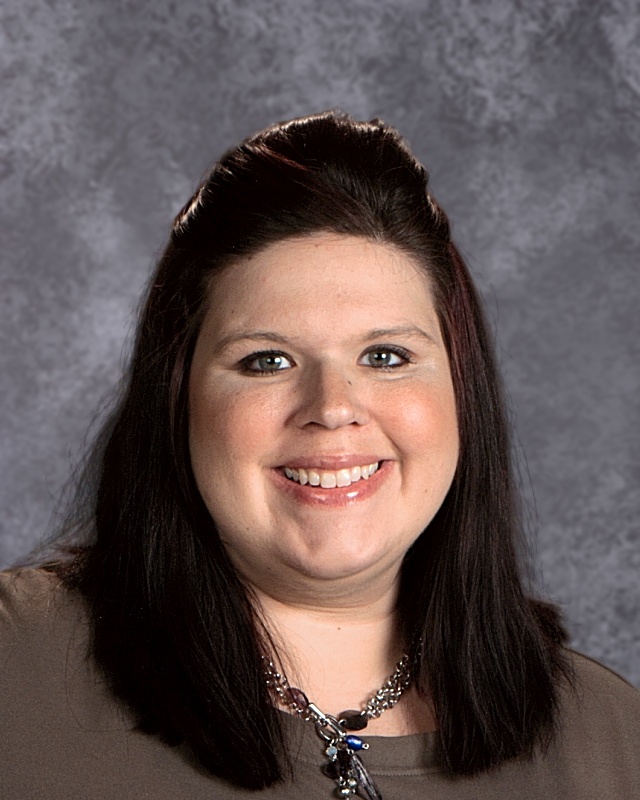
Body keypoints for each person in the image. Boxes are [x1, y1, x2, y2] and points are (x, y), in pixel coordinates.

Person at [1, 110, 638, 799]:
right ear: (177, 399)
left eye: (386, 356)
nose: (333, 408)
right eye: (267, 360)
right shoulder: (15, 665)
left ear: (462, 391)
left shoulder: (613, 745)